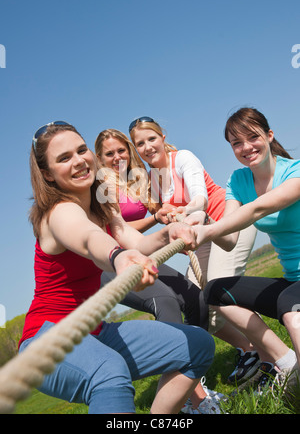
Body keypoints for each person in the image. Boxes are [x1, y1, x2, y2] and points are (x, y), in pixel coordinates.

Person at [18, 121, 215, 414]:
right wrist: (117, 257)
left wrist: (169, 232)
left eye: (81, 150)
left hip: (96, 332)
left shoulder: (103, 206)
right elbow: (89, 239)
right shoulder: (58, 213)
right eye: (64, 158)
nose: (79, 161)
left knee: (198, 344)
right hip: (46, 338)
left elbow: (134, 240)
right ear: (47, 173)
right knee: (109, 374)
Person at [129, 116, 258, 410]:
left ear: (162, 136)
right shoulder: (152, 180)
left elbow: (199, 198)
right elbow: (167, 223)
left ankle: (271, 359)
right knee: (198, 305)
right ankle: (249, 349)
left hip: (225, 225)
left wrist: (187, 213)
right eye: (140, 143)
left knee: (219, 295)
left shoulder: (183, 158)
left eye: (152, 138)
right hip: (199, 238)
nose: (148, 147)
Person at [95, 128, 222, 414]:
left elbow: (164, 204)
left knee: (194, 298)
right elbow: (119, 230)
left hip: (141, 254)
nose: (117, 157)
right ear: (100, 158)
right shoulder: (103, 186)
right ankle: (195, 399)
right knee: (165, 301)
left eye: (121, 150)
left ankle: (187, 377)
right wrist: (155, 218)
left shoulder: (137, 181)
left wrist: (174, 219)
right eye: (109, 153)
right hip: (110, 263)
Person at [200, 107, 300, 394]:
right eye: (236, 143)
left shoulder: (295, 171)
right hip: (293, 281)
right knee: (214, 292)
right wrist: (204, 224)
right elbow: (228, 236)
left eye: (252, 137)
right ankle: (287, 361)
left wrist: (208, 230)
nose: (246, 147)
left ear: (269, 136)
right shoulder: (238, 181)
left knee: (294, 317)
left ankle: (293, 386)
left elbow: (259, 207)